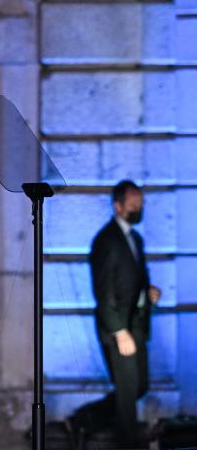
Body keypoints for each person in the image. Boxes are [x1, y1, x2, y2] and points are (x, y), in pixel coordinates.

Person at [68, 179, 161, 449]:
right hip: (120, 330)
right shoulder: (106, 240)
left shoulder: (135, 238)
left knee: (138, 386)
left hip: (138, 326)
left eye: (140, 203)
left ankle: (85, 419)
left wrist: (148, 292)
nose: (138, 207)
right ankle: (128, 444)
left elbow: (134, 280)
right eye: (133, 203)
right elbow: (104, 290)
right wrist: (120, 331)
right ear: (118, 205)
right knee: (128, 395)